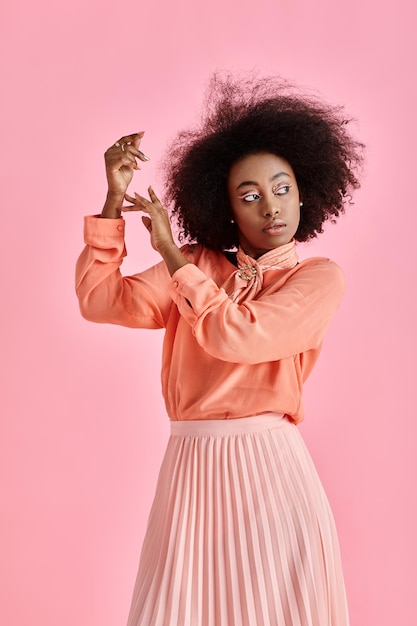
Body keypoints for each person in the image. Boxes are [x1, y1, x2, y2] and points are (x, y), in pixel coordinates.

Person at [76, 74, 363, 626]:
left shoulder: (319, 279)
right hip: (190, 469)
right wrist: (114, 201)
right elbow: (100, 300)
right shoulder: (201, 265)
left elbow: (239, 335)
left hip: (271, 472)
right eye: (250, 196)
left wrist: (173, 257)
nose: (271, 208)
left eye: (282, 189)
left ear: (306, 192)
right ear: (226, 207)